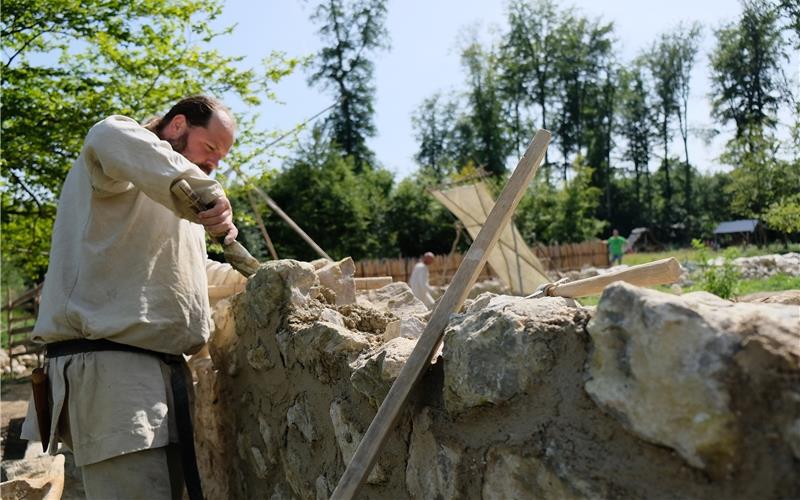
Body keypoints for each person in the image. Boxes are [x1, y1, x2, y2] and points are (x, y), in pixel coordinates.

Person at [21, 95, 247, 500]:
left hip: (159, 376)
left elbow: (193, 277)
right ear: (177, 126)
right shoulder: (117, 149)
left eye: (221, 155)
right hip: (114, 375)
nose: (215, 162)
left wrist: (265, 278)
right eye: (210, 147)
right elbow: (109, 135)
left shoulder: (176, 205)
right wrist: (205, 192)